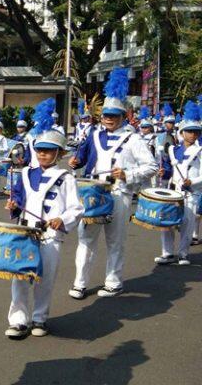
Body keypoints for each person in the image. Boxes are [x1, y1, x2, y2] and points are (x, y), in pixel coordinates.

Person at [68, 68, 157, 299]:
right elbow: (82, 159)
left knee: (115, 241)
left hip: (119, 193)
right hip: (93, 192)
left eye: (114, 115)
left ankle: (114, 281)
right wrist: (75, 161)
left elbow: (152, 167)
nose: (109, 119)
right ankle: (80, 283)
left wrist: (127, 174)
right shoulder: (93, 135)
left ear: (122, 116)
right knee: (86, 239)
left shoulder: (134, 139)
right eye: (106, 115)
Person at [4, 101, 84, 339]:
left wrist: (62, 218)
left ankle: (39, 318)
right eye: (40, 150)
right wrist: (13, 205)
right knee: (20, 277)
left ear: (59, 153)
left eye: (48, 151)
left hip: (50, 235)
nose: (42, 154)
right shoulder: (26, 173)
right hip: (26, 232)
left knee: (45, 279)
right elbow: (18, 196)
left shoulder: (65, 177)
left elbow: (76, 208)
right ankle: (18, 320)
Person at [155, 101, 202, 266]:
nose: (193, 135)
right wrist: (164, 172)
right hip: (173, 191)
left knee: (187, 224)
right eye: (189, 131)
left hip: (190, 192)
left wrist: (193, 181)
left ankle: (183, 254)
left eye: (196, 132)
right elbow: (168, 170)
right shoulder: (172, 150)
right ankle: (167, 253)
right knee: (167, 223)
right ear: (182, 132)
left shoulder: (200, 151)